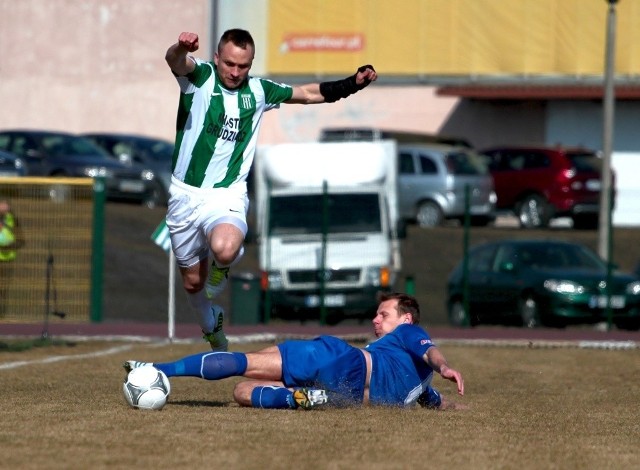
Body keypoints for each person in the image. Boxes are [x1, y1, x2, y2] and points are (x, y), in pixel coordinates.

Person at [163, 29, 378, 352]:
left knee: (224, 247)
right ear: (218, 58)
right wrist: (180, 47)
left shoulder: (259, 91)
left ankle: (224, 262)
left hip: (227, 194)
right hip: (184, 195)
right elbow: (174, 61)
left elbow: (306, 93)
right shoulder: (200, 76)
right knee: (193, 283)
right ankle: (211, 324)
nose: (236, 72)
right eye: (231, 64)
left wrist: (352, 83)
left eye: (244, 66)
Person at [123, 293, 465, 410]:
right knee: (242, 392)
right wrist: (452, 405)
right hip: (345, 396)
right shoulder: (420, 384)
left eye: (383, 314)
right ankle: (299, 398)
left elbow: (432, 353)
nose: (375, 320)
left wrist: (446, 366)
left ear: (405, 318)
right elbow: (432, 398)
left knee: (248, 363)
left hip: (345, 362)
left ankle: (156, 368)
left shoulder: (410, 331)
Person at [0, 198, 24, 316]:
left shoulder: (12, 219)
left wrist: (10, 245)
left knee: (3, 288)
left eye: (5, 205)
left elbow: (21, 240)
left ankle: (2, 314)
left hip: (7, 260)